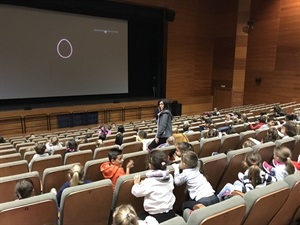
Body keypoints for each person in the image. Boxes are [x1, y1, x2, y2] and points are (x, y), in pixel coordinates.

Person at [131, 150, 176, 223]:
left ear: (149, 165)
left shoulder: (149, 182)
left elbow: (136, 192)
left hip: (155, 216)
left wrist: (136, 184)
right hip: (171, 213)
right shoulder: (170, 177)